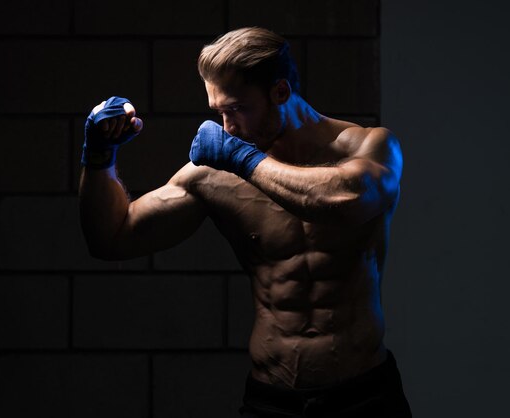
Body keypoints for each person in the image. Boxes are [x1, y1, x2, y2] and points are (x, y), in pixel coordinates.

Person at [78, 26, 411, 418]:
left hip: (364, 397)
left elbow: (346, 198)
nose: (228, 129)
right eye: (219, 112)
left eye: (237, 109)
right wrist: (100, 156)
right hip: (271, 400)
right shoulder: (218, 170)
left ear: (281, 92)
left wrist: (244, 161)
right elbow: (112, 238)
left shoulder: (367, 146)